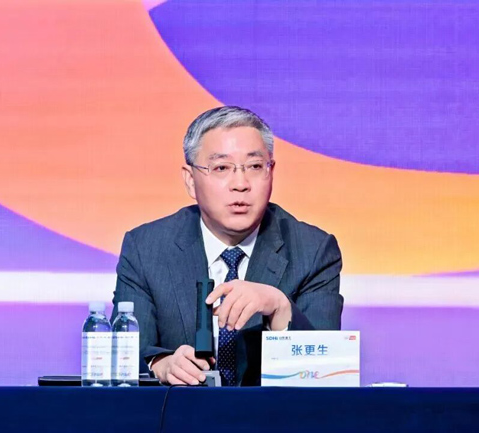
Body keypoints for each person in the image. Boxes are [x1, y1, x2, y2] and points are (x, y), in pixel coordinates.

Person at [112, 106, 343, 386]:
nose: (241, 184)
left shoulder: (313, 251)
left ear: (271, 172)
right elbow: (126, 357)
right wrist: (161, 364)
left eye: (255, 167)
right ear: (190, 180)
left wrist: (280, 310)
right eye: (222, 168)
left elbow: (326, 375)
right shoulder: (146, 248)